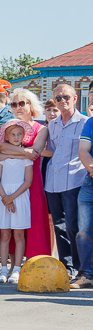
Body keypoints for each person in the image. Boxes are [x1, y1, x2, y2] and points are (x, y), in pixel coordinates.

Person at [0, 88, 51, 262]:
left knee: (33, 221)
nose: (18, 107)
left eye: (22, 103)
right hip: (8, 181)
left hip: (31, 182)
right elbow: (0, 148)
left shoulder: (41, 128)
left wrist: (9, 152)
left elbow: (36, 152)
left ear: (31, 105)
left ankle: (34, 261)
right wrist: (23, 151)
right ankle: (10, 264)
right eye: (14, 104)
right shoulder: (8, 126)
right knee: (9, 224)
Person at [43, 84, 87, 278]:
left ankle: (80, 268)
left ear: (75, 98)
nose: (63, 101)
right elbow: (51, 151)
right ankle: (66, 267)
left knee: (73, 226)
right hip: (52, 181)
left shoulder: (86, 122)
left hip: (75, 181)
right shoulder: (52, 124)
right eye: (58, 98)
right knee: (58, 226)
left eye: (66, 97)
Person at [0, 120, 34, 284]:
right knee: (5, 234)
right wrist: (5, 198)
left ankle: (16, 269)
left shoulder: (26, 159)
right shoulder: (1, 158)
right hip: (3, 198)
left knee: (18, 234)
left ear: (23, 137)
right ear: (6, 137)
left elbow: (27, 182)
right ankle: (3, 269)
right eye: (13, 134)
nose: (16, 137)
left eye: (19, 134)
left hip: (20, 197)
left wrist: (12, 197)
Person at [72, 114, 93, 289]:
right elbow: (83, 150)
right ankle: (87, 274)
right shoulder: (91, 123)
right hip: (90, 182)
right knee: (84, 230)